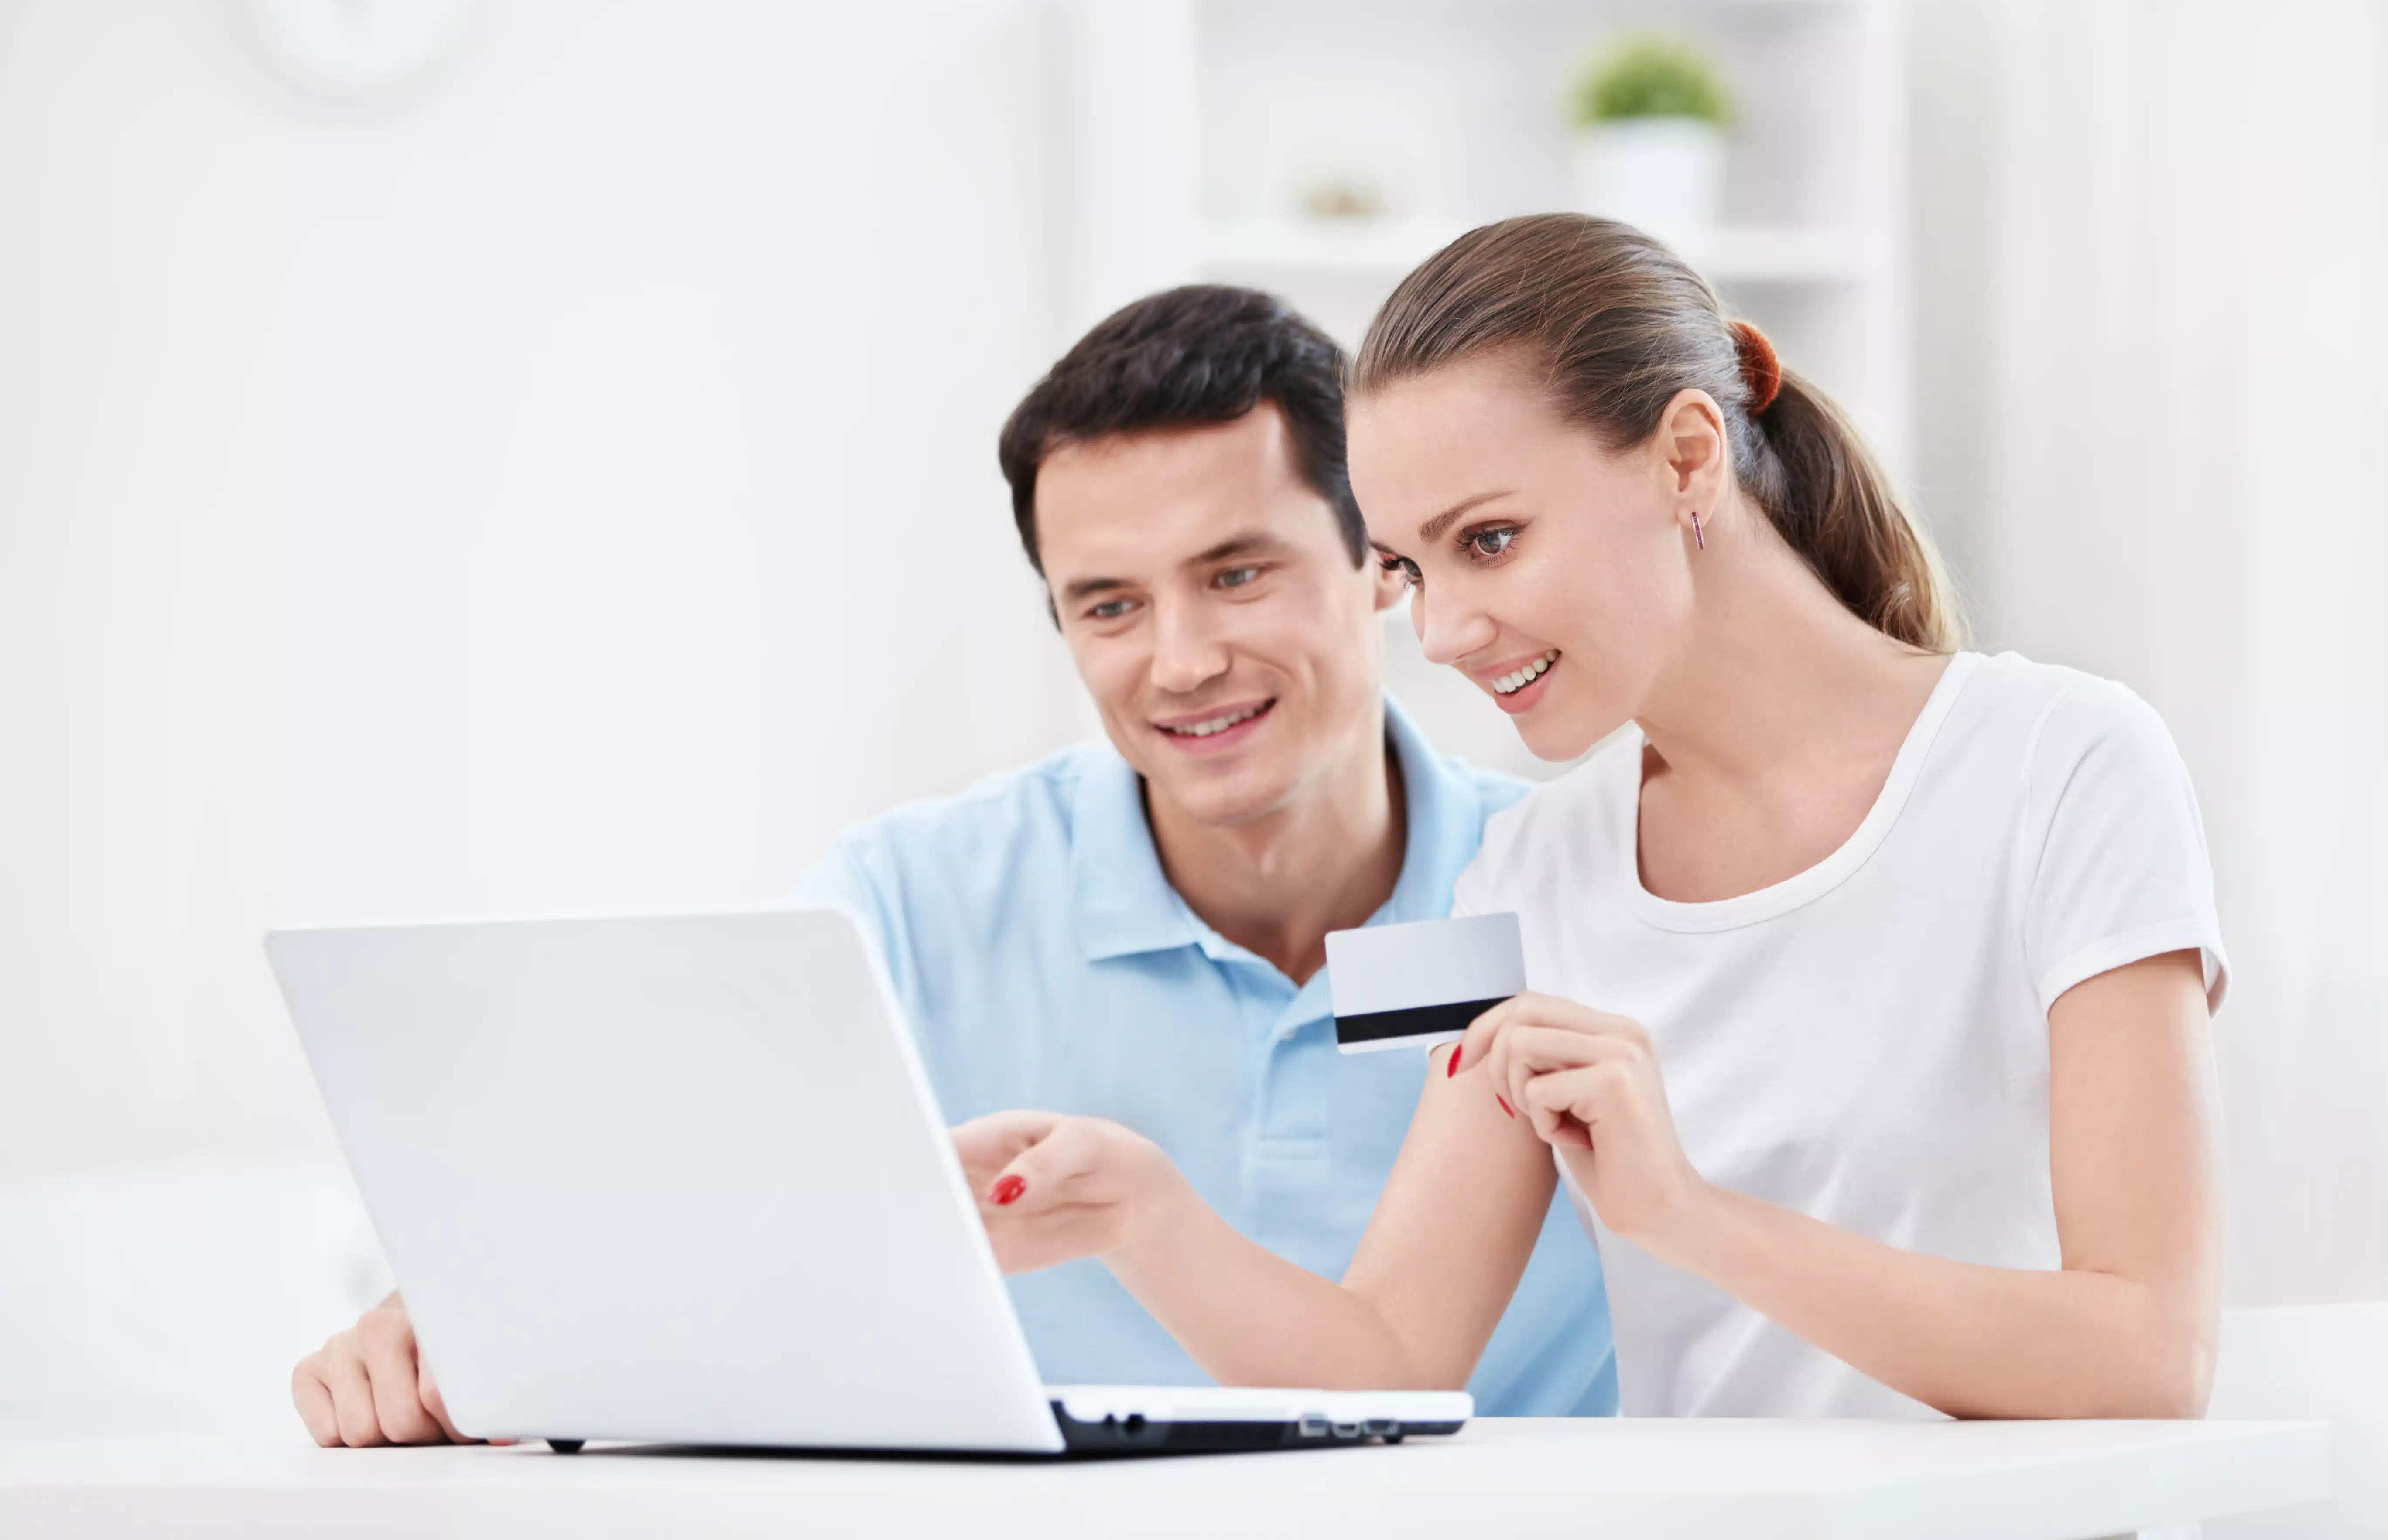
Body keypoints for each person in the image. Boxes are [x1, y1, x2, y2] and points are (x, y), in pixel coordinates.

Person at [287, 284, 1616, 1448]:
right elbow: (676, 1205)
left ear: (1380, 566)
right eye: (1109, 604)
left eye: (1237, 573)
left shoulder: (1572, 889)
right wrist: (457, 1323)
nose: (1182, 659)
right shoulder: (910, 906)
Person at [953, 215, 2230, 1421]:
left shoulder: (2064, 767)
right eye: (1409, 568)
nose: (1443, 633)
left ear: (1687, 459)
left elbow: (2148, 1353)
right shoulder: (1525, 868)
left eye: (1492, 541)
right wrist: (1141, 1212)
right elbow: (1393, 1360)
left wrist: (1684, 1213)